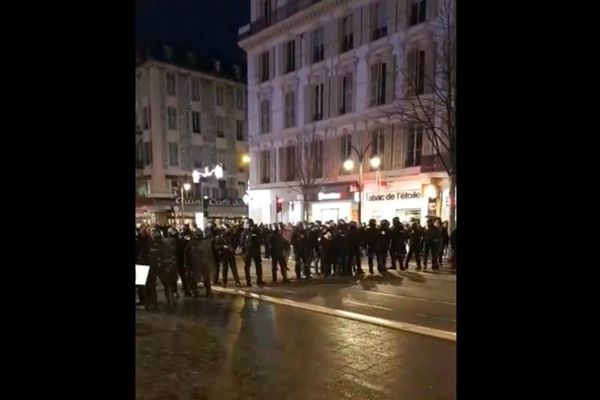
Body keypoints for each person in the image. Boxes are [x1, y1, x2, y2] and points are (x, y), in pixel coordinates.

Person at [184, 228, 213, 298]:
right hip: (196, 264)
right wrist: (186, 264)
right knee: (195, 279)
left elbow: (210, 253)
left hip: (201, 263)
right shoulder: (191, 243)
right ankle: (198, 292)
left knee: (204, 279)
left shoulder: (204, 243)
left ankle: (206, 292)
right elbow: (186, 254)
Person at [240, 219, 265, 286]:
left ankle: (259, 280)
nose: (244, 224)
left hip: (256, 251)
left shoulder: (256, 231)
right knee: (247, 266)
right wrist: (243, 253)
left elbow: (260, 240)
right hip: (248, 252)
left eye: (246, 223)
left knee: (258, 266)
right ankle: (248, 281)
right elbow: (242, 243)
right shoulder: (244, 232)